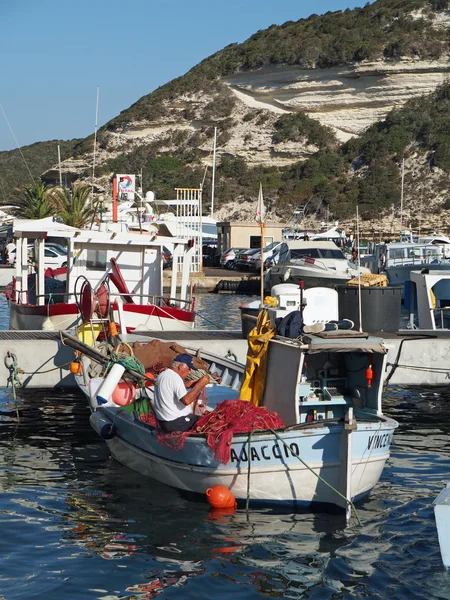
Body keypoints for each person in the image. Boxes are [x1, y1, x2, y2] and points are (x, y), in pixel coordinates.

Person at [153, 354, 209, 433]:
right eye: (189, 368)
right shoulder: (176, 378)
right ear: (180, 366)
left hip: (164, 422)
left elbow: (171, 387)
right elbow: (186, 401)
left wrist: (190, 384)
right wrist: (200, 385)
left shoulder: (163, 375)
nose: (189, 372)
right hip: (177, 423)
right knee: (205, 420)